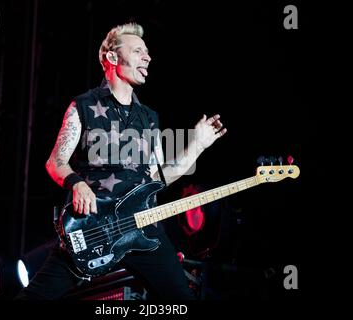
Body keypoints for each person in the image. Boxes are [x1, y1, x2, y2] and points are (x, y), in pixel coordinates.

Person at [16, 22, 226, 300]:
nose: (147, 57)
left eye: (148, 52)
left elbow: (158, 179)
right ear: (113, 58)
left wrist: (197, 145)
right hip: (92, 229)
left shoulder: (148, 117)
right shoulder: (83, 105)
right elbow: (55, 162)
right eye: (138, 50)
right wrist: (76, 184)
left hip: (142, 229)